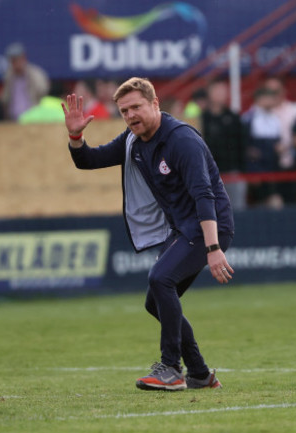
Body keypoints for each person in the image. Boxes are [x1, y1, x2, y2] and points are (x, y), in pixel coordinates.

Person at [62, 77, 234, 391]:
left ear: (155, 104)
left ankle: (171, 369)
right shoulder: (133, 140)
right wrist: (75, 135)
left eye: (136, 107)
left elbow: (204, 195)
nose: (130, 116)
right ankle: (199, 373)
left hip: (209, 226)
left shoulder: (181, 140)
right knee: (154, 302)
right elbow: (89, 160)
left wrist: (213, 247)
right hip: (183, 229)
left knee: (160, 279)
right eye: (124, 111)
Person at [201, 78, 246, 210]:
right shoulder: (202, 118)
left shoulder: (234, 117)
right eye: (217, 90)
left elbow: (241, 145)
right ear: (209, 93)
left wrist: (242, 171)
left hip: (232, 173)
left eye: (224, 90)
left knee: (237, 212)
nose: (221, 93)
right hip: (208, 175)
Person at [241, 87, 283, 209]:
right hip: (257, 168)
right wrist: (252, 169)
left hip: (272, 167)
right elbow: (246, 147)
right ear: (260, 99)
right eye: (269, 98)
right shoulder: (249, 118)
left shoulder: (274, 118)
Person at [0, 42, 50, 120]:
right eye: (12, 61)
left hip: (33, 119)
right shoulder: (8, 77)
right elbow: (5, 99)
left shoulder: (35, 74)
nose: (15, 63)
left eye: (17, 59)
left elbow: (43, 92)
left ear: (23, 58)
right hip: (13, 121)